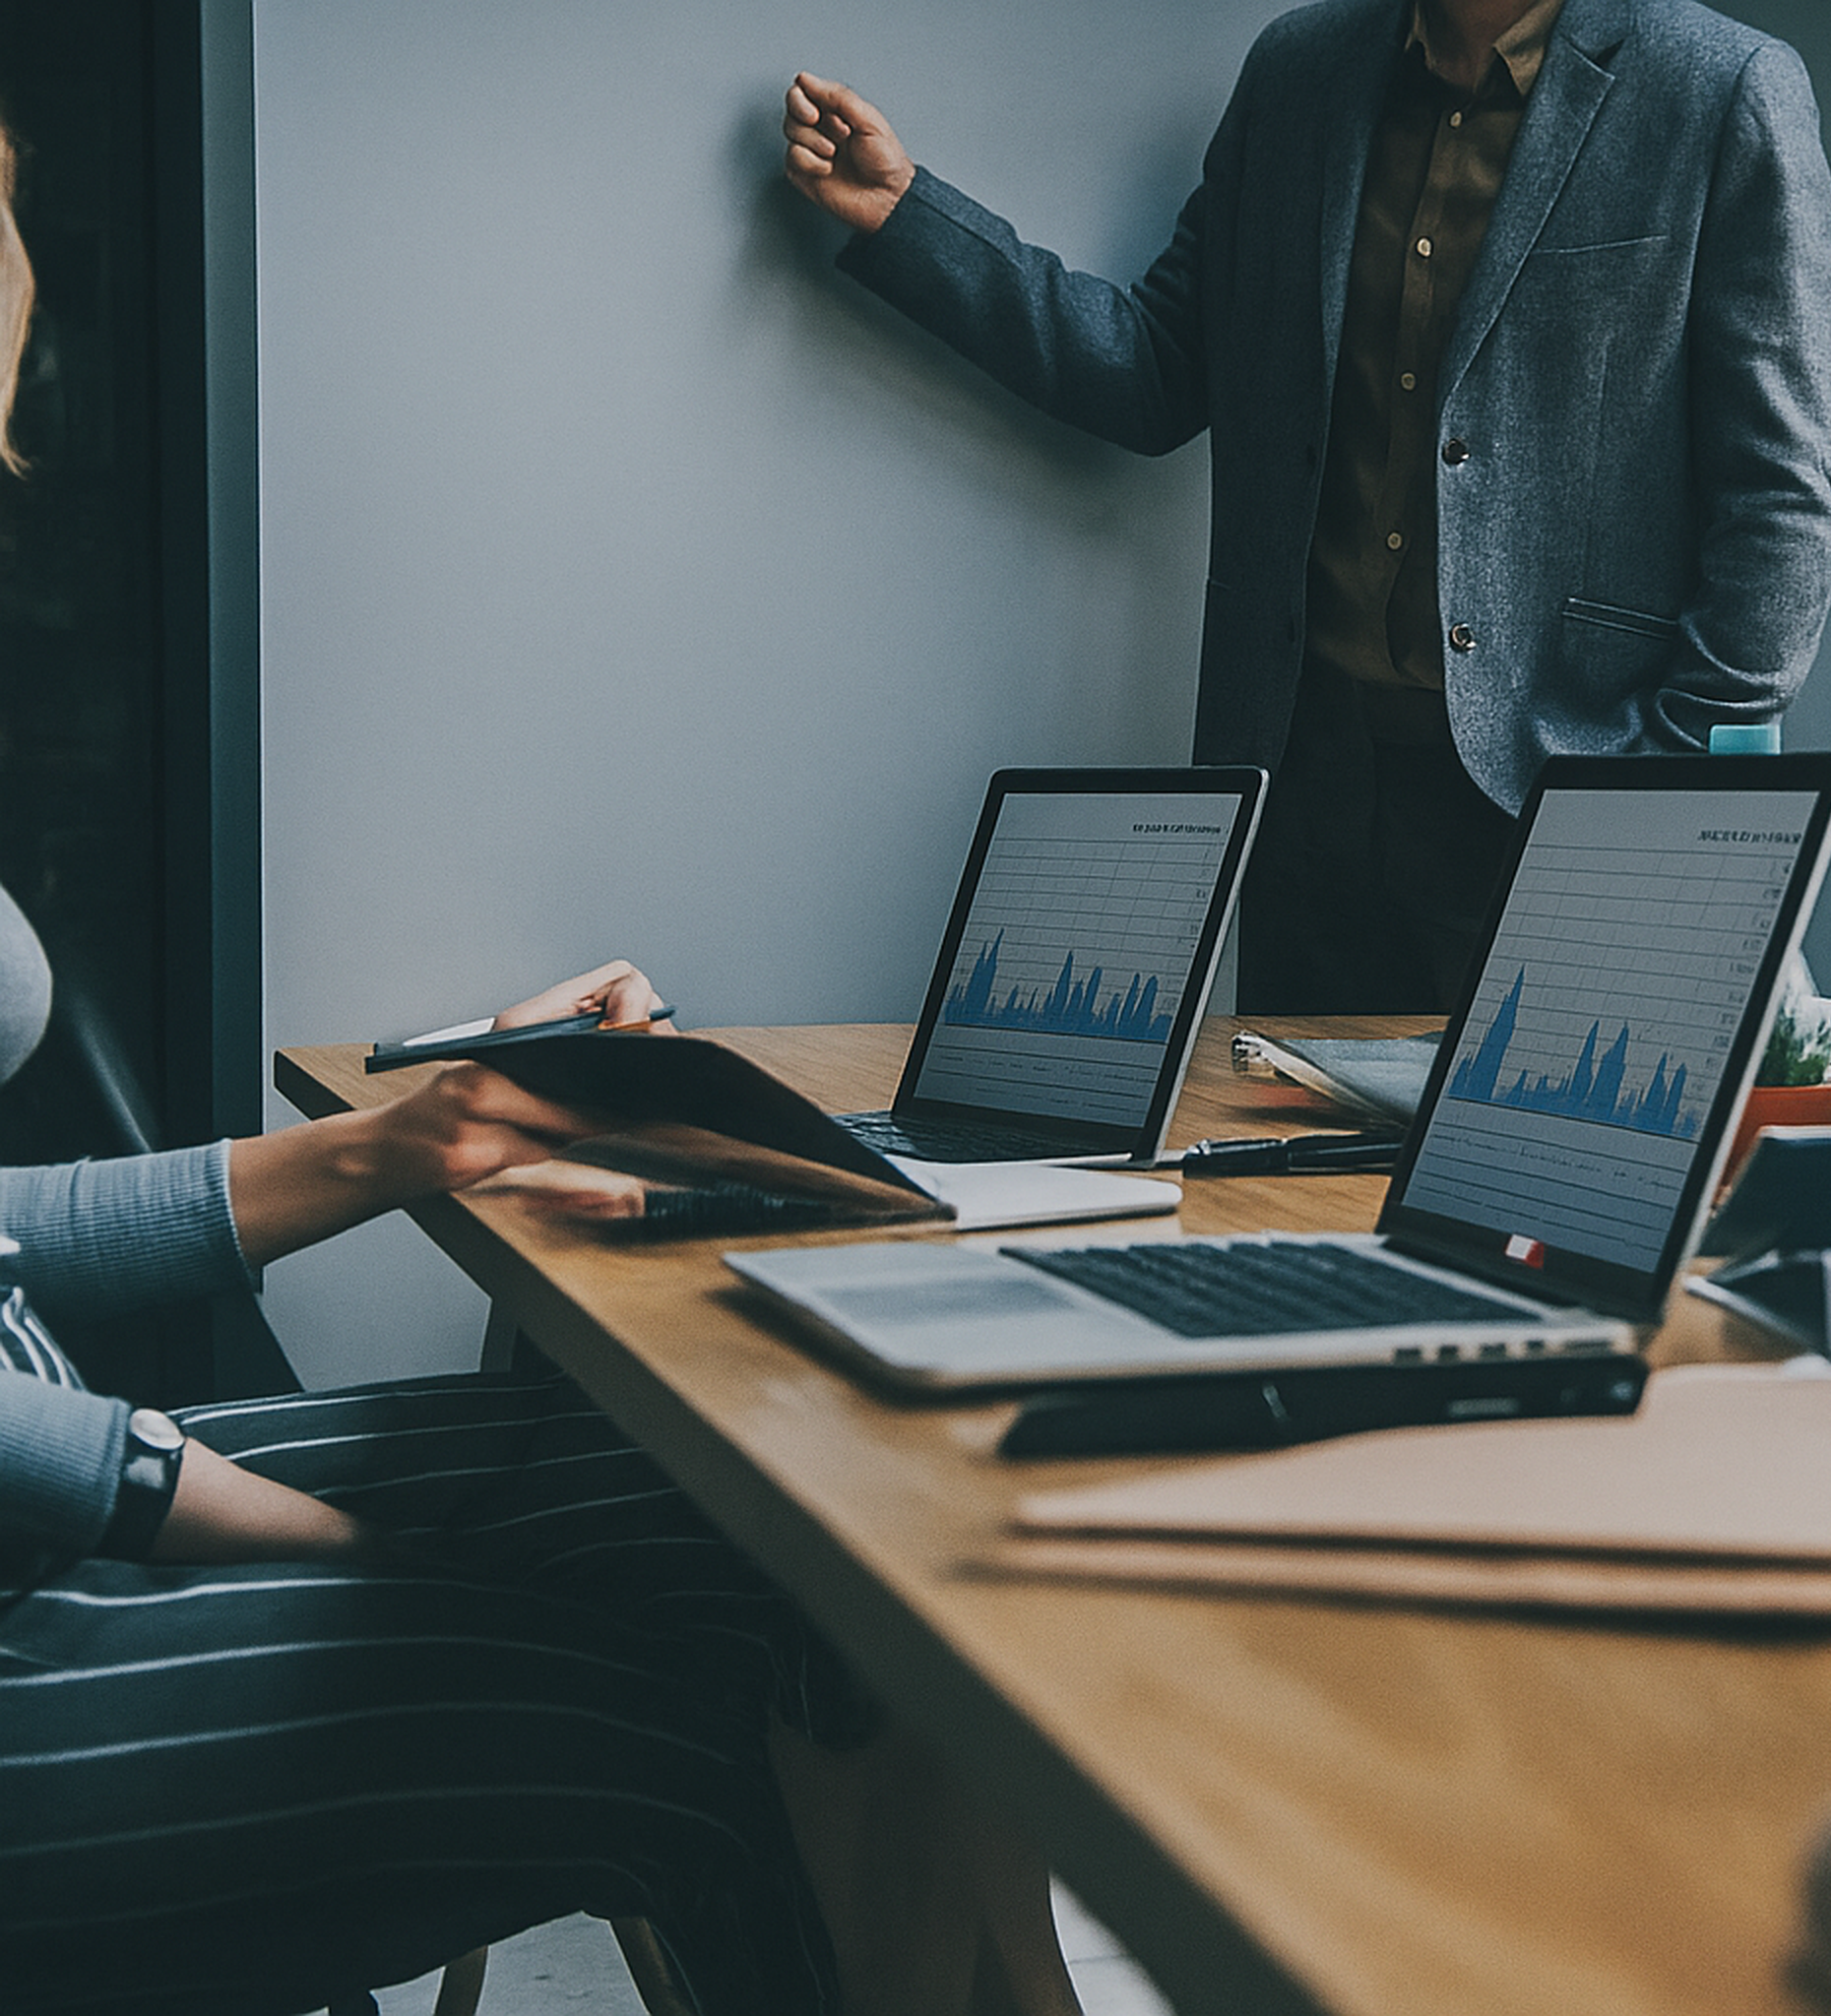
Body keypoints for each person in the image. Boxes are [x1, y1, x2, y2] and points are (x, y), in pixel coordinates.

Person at [0, 113, 1079, 2016]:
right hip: (35, 1587)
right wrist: (322, 1548)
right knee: (676, 1716)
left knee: (795, 1548)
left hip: (58, 1504)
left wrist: (417, 1140)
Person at [781, 0, 1831, 1014]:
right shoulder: (1299, 73)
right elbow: (1157, 368)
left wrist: (1654, 790)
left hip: (1564, 794)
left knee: (1549, 1196)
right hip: (1302, 790)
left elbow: (1782, 500)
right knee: (1302, 1186)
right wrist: (909, 216)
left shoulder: (1724, 90)